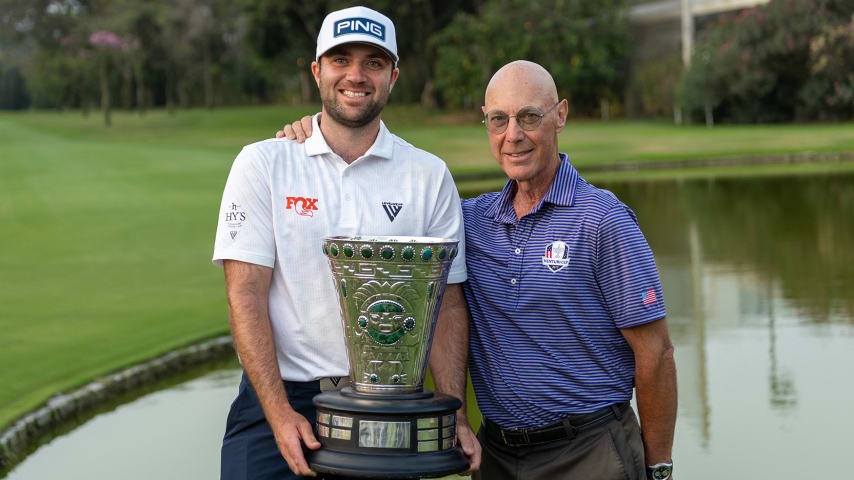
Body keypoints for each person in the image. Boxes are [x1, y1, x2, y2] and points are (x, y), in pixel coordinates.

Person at [279, 60, 677, 480]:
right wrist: (321, 130)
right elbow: (382, 220)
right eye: (498, 120)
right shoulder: (471, 220)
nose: (513, 135)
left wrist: (658, 467)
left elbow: (656, 354)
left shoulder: (603, 221)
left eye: (529, 117)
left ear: (560, 115)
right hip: (497, 457)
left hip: (590, 452)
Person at [213, 6, 480, 479]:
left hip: (389, 406)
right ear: (317, 71)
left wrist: (455, 415)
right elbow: (245, 293)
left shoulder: (428, 175)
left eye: (373, 63)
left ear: (394, 76)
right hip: (283, 395)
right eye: (341, 60)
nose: (355, 75)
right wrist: (278, 414)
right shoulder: (264, 163)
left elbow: (447, 307)